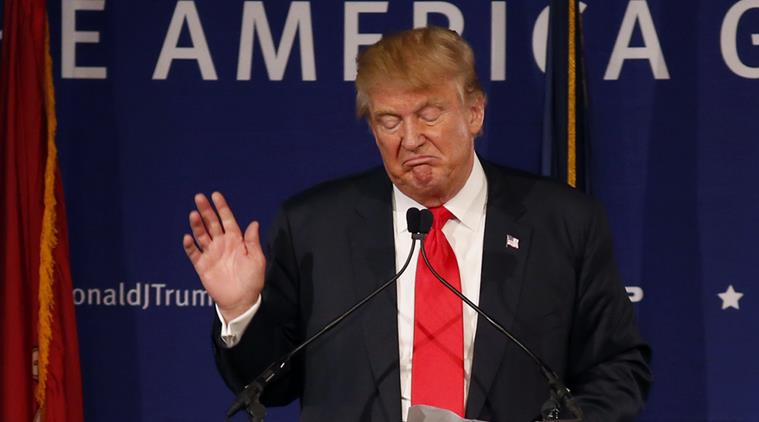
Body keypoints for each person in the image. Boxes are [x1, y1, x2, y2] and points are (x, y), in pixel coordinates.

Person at [183, 27, 651, 422]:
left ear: (474, 112)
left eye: (429, 114)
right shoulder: (314, 226)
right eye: (389, 120)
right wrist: (242, 310)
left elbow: (618, 369)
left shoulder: (563, 222)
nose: (411, 139)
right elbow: (272, 385)